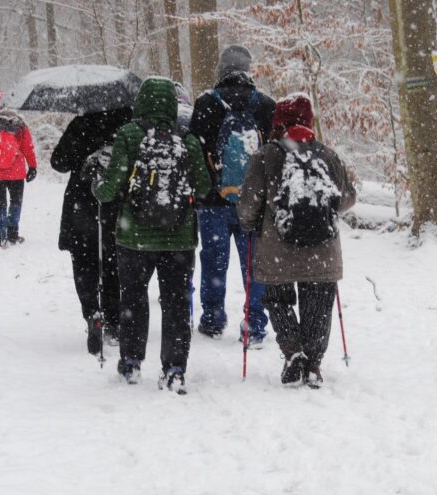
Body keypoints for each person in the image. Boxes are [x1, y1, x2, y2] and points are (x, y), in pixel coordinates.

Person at [93, 77, 211, 392]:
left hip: (135, 239)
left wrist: (96, 183)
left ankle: (131, 363)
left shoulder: (130, 135)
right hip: (180, 239)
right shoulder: (188, 140)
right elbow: (203, 187)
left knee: (133, 298)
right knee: (175, 303)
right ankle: (174, 368)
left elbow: (109, 190)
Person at [237, 94, 356, 388]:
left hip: (277, 248)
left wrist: (252, 224)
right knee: (319, 303)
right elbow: (348, 198)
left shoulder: (266, 156)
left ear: (278, 122)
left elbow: (248, 205)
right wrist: (321, 213)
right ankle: (313, 364)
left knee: (277, 300)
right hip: (322, 249)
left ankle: (293, 352)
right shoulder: (328, 156)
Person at [189, 45, 276, 344]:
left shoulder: (205, 104)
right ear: (248, 70)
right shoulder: (264, 105)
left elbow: (196, 151)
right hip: (254, 204)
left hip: (214, 202)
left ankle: (213, 319)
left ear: (220, 70)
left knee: (214, 261)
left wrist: (203, 189)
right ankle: (255, 322)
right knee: (254, 264)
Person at [51, 107, 132, 356]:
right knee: (113, 263)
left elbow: (58, 162)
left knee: (84, 262)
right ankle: (114, 321)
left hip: (81, 205)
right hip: (116, 203)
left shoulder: (81, 123)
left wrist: (81, 152)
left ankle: (92, 313)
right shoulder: (128, 124)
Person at [0, 95, 37, 247]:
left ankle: (0, 236)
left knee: (0, 204)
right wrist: (32, 166)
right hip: (16, 172)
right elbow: (28, 147)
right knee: (15, 203)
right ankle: (12, 234)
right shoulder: (20, 125)